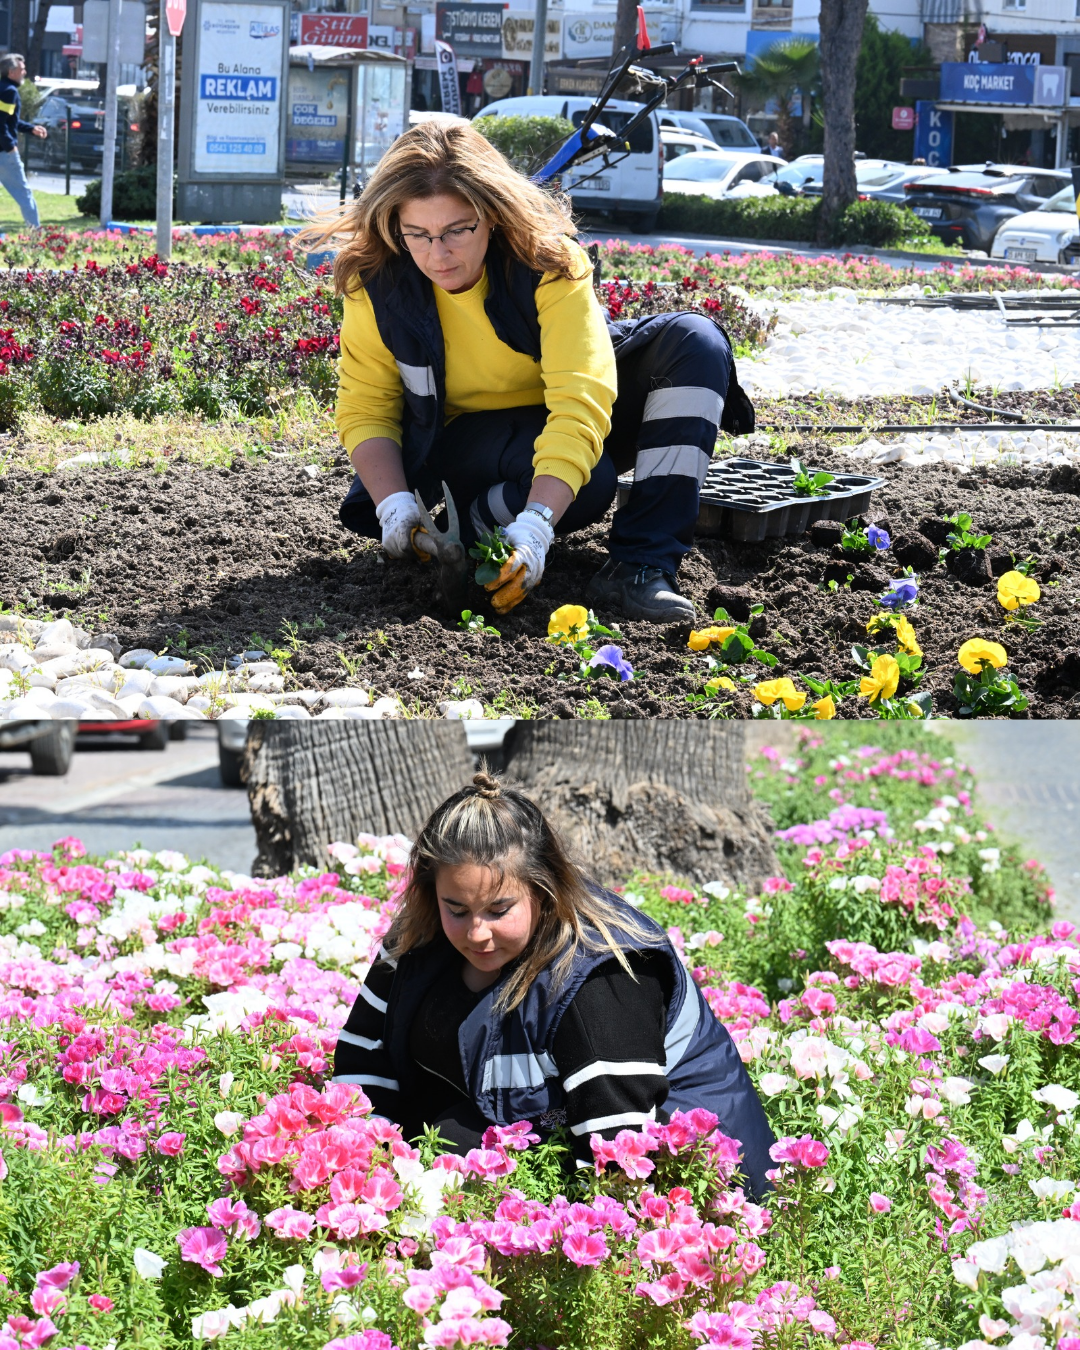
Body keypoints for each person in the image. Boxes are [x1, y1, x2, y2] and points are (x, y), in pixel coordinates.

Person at [305, 119, 755, 623]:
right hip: (456, 444)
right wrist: (393, 506)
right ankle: (473, 534)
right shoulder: (378, 283)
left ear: (492, 215)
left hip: (550, 423)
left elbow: (580, 401)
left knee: (696, 342)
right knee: (588, 485)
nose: (438, 253)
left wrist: (538, 525)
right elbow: (367, 407)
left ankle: (640, 565)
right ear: (395, 226)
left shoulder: (549, 265)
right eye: (418, 234)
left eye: (458, 230)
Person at [331, 771, 776, 1198]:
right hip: (538, 1132)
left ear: (543, 892)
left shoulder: (602, 979)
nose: (476, 933)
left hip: (701, 1181)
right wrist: (370, 1168)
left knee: (456, 1140)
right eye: (458, 909)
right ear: (432, 894)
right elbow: (361, 1062)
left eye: (499, 910)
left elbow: (618, 1163)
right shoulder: (419, 935)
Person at [0, 54, 46, 228]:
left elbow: (7, 119)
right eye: (21, 69)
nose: (24, 72)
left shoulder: (2, 88)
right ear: (11, 72)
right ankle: (35, 236)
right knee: (24, 195)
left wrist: (30, 128)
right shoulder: (9, 91)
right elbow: (0, 123)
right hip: (4, 154)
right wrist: (10, 147)